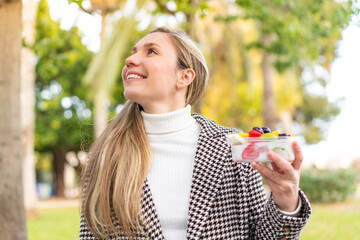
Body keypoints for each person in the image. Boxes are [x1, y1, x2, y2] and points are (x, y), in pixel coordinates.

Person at [79, 27, 311, 240]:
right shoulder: (105, 155)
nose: (130, 60)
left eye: (151, 52)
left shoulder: (234, 148)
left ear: (184, 77)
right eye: (133, 52)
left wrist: (286, 204)